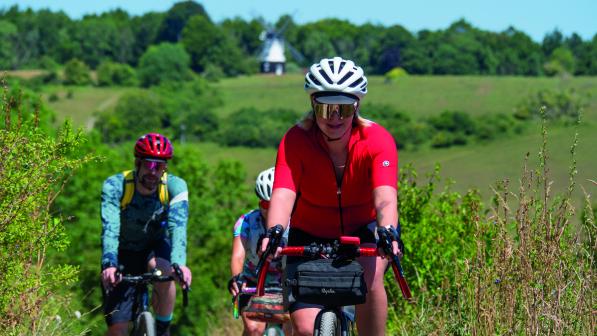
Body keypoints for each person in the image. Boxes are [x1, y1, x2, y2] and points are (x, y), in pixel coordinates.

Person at [261, 57, 401, 336]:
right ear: (313, 105)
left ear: (357, 107)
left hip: (363, 231)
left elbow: (385, 196)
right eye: (326, 108)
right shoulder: (295, 141)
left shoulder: (377, 140)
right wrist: (274, 230)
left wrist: (389, 231)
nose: (334, 117)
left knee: (372, 280)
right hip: (308, 233)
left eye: (343, 108)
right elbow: (284, 192)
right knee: (303, 328)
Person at [100, 133, 192, 336]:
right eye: (148, 165)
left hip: (154, 245)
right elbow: (110, 227)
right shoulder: (116, 185)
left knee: (166, 270)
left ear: (165, 168)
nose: (153, 171)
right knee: (118, 329)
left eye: (158, 166)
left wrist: (180, 264)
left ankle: (162, 328)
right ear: (138, 163)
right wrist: (109, 263)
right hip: (121, 251)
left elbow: (178, 226)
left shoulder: (175, 187)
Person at [229, 167, 292, 336]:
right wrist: (237, 278)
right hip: (253, 281)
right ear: (259, 202)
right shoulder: (246, 222)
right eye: (266, 204)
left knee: (293, 329)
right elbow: (238, 256)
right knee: (253, 329)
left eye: (276, 204)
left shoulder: (295, 223)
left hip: (285, 282)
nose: (271, 209)